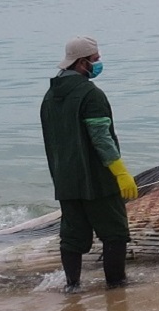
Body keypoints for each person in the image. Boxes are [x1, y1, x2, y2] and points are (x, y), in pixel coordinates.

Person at [41, 36, 138, 291]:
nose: (98, 64)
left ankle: (72, 287)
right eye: (95, 60)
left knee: (72, 237)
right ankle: (116, 287)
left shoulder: (50, 97)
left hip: (65, 179)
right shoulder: (91, 95)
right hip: (97, 180)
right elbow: (101, 139)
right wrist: (120, 173)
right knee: (115, 232)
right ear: (82, 63)